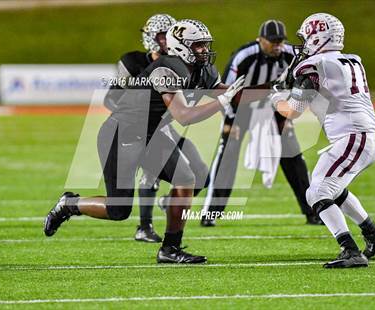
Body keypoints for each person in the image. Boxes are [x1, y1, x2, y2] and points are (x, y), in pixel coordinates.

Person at [44, 19, 246, 264]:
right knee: (119, 210)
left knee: (186, 178)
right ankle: (69, 204)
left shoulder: (203, 70)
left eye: (205, 44)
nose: (204, 50)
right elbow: (184, 116)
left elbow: (230, 91)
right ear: (181, 47)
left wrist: (273, 91)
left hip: (150, 133)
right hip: (122, 134)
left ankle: (169, 249)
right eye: (198, 45)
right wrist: (223, 101)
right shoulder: (165, 69)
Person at [271, 13, 375, 268]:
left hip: (352, 137)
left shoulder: (314, 64)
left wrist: (276, 98)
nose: (303, 45)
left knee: (317, 192)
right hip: (365, 136)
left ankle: (350, 249)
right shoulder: (351, 60)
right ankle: (373, 233)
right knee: (331, 188)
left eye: (306, 39)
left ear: (317, 38)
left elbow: (293, 110)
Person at [201, 20, 319, 227]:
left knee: (293, 157)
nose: (277, 45)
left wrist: (287, 117)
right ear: (260, 40)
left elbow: (302, 86)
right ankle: (211, 212)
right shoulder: (244, 56)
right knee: (227, 156)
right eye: (272, 41)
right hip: (242, 109)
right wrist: (230, 121)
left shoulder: (292, 55)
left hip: (275, 108)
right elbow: (227, 92)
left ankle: (313, 212)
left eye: (280, 41)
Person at [106, 14, 209, 243]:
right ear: (151, 37)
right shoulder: (134, 63)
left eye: (167, 35)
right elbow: (111, 99)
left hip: (166, 125)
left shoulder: (181, 63)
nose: (164, 41)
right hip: (138, 128)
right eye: (160, 35)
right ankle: (145, 225)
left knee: (201, 172)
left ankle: (169, 202)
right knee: (150, 175)